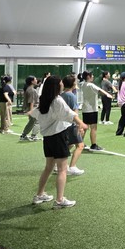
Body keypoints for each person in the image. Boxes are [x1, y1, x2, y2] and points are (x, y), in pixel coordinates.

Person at [32, 75, 88, 208]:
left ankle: (39, 195)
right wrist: (81, 123)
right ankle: (59, 200)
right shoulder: (57, 100)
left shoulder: (44, 100)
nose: (62, 84)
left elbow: (35, 113)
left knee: (48, 168)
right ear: (56, 86)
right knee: (62, 169)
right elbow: (70, 113)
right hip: (58, 136)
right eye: (61, 83)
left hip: (48, 139)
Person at [79, 71, 113, 152]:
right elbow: (100, 90)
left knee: (85, 127)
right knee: (93, 127)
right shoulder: (90, 85)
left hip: (86, 109)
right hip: (92, 109)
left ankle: (79, 143)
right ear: (88, 76)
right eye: (92, 75)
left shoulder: (83, 84)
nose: (93, 76)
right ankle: (93, 145)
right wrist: (108, 94)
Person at [61, 75, 85, 175]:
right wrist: (79, 125)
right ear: (73, 84)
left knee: (69, 144)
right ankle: (72, 167)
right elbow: (75, 112)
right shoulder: (72, 96)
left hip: (63, 124)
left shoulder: (61, 95)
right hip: (71, 124)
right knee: (80, 145)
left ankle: (59, 164)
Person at [19, 76, 41, 141]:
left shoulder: (29, 89)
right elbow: (31, 101)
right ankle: (32, 136)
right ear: (32, 81)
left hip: (32, 108)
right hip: (34, 108)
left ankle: (25, 135)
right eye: (35, 79)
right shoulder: (31, 90)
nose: (36, 80)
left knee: (32, 122)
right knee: (35, 122)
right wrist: (31, 110)